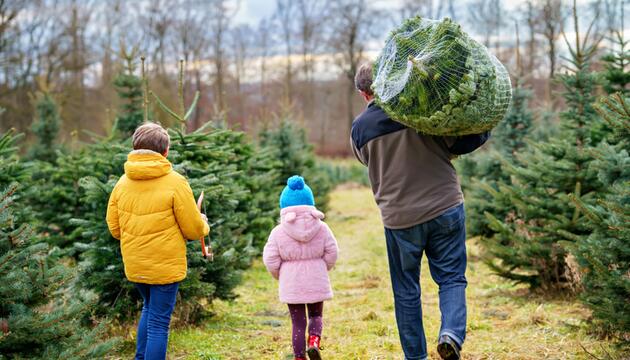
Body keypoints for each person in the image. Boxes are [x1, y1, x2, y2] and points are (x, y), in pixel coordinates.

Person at [350, 63, 490, 360]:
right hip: (445, 207)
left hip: (400, 219)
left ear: (364, 93)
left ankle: (415, 357)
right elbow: (461, 141)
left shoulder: (359, 130)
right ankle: (451, 334)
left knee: (406, 290)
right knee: (451, 277)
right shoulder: (418, 111)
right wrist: (484, 126)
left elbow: (367, 161)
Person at [106, 122, 209, 360]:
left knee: (149, 309)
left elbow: (114, 228)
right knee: (159, 324)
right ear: (165, 152)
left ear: (135, 148)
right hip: (165, 267)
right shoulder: (176, 182)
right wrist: (203, 222)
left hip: (135, 265)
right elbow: (194, 230)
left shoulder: (122, 183)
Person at [263, 175, 339, 360]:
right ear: (310, 203)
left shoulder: (278, 232)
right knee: (316, 315)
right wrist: (323, 268)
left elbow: (270, 259)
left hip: (292, 281)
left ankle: (299, 357)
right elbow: (332, 251)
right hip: (316, 278)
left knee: (298, 322)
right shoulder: (322, 228)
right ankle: (313, 342)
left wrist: (280, 275)